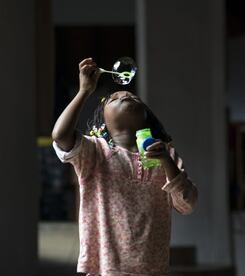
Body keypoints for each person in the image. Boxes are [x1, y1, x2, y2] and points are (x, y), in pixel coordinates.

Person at [51, 57, 198, 276]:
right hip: (106, 268)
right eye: (113, 98)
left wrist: (166, 161)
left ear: (146, 117)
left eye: (131, 96)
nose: (124, 94)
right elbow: (60, 135)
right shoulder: (94, 153)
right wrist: (84, 92)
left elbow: (187, 204)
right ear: (104, 124)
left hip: (152, 269)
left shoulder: (166, 155)